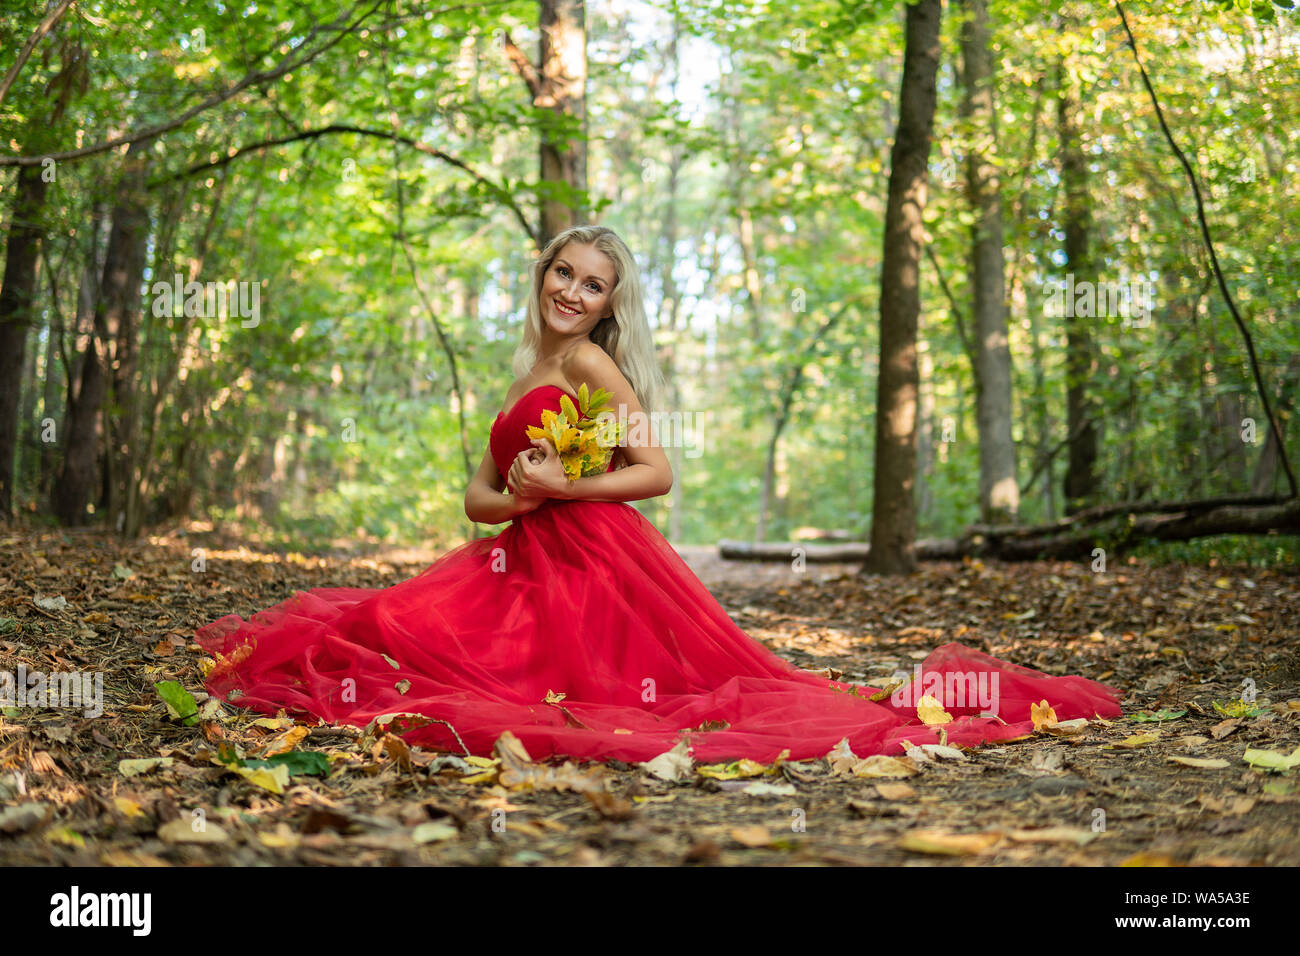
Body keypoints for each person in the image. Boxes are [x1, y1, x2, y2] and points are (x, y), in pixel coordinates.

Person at [196, 224, 1122, 764]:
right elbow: (479, 497)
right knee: (379, 633)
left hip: (594, 562)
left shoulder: (592, 365)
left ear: (606, 306)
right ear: (542, 276)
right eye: (563, 273)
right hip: (516, 556)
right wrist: (520, 499)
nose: (572, 290)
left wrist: (567, 484)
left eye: (592, 285)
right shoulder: (529, 368)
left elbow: (657, 473)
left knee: (602, 695)